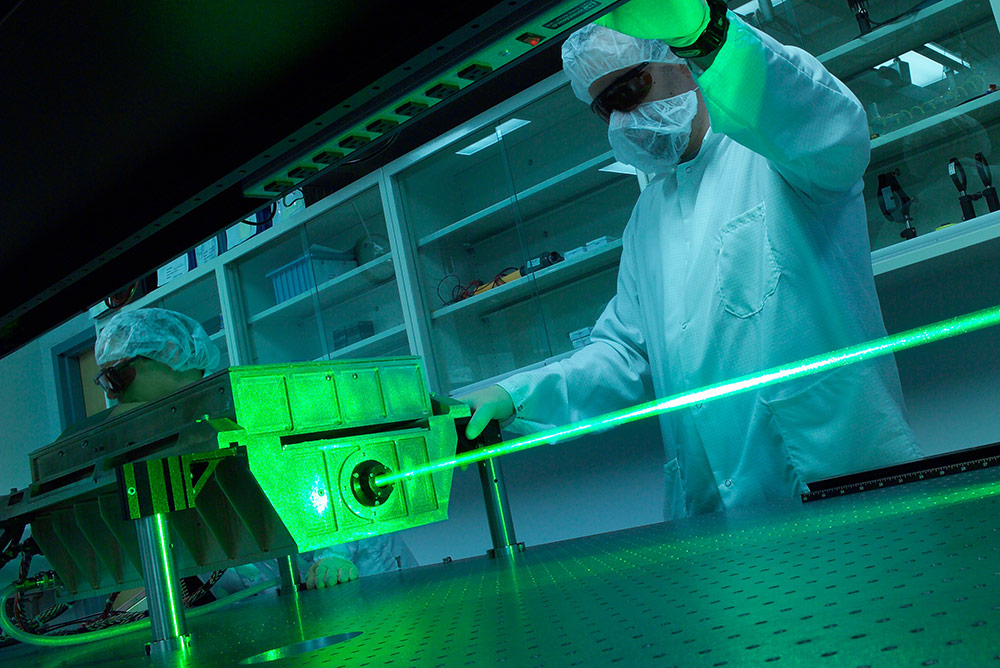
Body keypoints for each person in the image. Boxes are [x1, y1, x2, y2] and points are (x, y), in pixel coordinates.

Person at [462, 0, 922, 520]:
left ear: (680, 60)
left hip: (841, 489)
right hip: (715, 521)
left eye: (628, 91)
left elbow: (829, 126)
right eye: (604, 108)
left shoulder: (780, 156)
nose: (620, 121)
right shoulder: (647, 217)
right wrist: (516, 394)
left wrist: (711, 37)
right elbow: (624, 354)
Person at [94, 307, 416, 590]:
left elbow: (333, 476)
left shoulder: (253, 402)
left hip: (364, 573)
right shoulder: (164, 438)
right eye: (106, 381)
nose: (114, 393)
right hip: (280, 599)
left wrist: (335, 553)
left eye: (120, 375)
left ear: (171, 353)